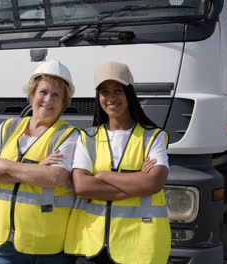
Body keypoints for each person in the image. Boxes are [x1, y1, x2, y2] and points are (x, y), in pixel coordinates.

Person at [65, 61, 171, 264]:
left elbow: (154, 183)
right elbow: (82, 185)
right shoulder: (87, 137)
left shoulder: (153, 136)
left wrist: (103, 176)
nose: (111, 98)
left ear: (129, 94)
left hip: (137, 247)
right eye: (104, 92)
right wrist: (136, 181)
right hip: (90, 247)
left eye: (118, 91)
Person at [0, 60, 78, 264]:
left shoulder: (69, 135)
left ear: (64, 102)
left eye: (56, 95)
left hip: (48, 248)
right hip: (6, 245)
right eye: (43, 92)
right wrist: (37, 168)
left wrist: (4, 165)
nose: (48, 100)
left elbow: (55, 176)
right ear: (32, 94)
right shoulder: (8, 127)